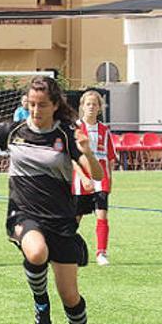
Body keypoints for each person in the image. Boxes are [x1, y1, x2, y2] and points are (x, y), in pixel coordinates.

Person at [0, 76, 105, 324]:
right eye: (31, 104)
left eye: (42, 105)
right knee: (36, 252)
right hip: (23, 212)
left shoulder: (67, 134)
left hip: (61, 219)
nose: (35, 110)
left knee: (70, 296)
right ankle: (40, 302)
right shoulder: (13, 130)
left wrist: (89, 151)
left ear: (55, 105)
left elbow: (95, 175)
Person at [71, 90, 117, 266]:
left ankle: (101, 253)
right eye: (88, 104)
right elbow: (71, 157)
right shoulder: (74, 128)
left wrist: (109, 179)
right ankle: (66, 250)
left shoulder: (105, 131)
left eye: (94, 104)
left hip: (101, 180)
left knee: (102, 215)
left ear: (99, 108)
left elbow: (110, 157)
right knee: (74, 218)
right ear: (82, 107)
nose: (91, 107)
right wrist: (82, 177)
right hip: (80, 181)